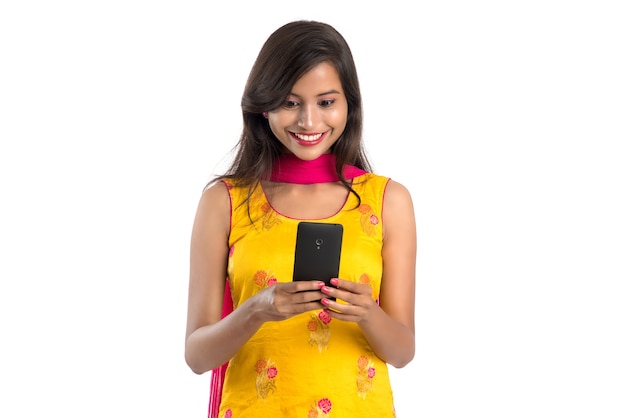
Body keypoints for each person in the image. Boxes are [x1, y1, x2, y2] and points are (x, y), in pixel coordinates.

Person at [185, 20, 416, 418]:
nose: (309, 122)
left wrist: (367, 313)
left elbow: (402, 352)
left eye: (326, 102)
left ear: (349, 105)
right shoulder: (224, 201)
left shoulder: (387, 201)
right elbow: (196, 355)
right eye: (291, 103)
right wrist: (257, 309)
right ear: (263, 106)